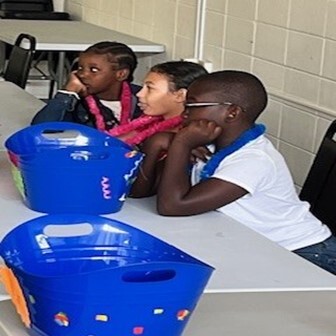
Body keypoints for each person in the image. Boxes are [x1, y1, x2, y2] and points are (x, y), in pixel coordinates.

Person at [156, 70, 336, 275]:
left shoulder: (254, 159)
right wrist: (158, 144)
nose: (184, 114)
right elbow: (147, 191)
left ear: (231, 112)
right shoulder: (210, 146)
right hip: (257, 245)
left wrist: (180, 144)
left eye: (192, 106)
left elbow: (172, 206)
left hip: (306, 254)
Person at [127, 61, 208, 197]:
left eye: (150, 88)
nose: (140, 94)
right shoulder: (149, 124)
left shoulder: (191, 136)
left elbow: (140, 192)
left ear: (180, 95)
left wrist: (156, 143)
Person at [31, 41, 141, 129]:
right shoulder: (76, 103)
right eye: (80, 68)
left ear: (121, 74)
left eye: (93, 70)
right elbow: (40, 128)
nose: (83, 74)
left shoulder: (143, 98)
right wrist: (67, 93)